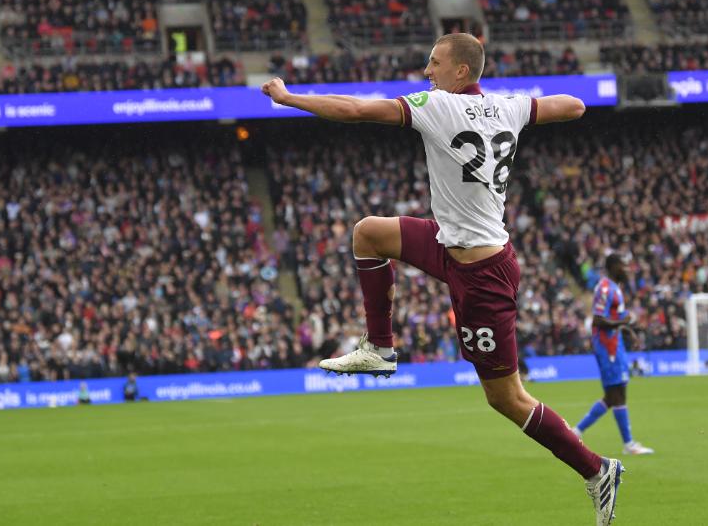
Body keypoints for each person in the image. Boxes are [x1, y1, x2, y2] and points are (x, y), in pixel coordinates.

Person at [262, 33, 624, 525]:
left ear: (459, 72)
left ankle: (597, 469)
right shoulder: (509, 106)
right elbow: (575, 105)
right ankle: (380, 349)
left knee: (506, 398)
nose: (426, 71)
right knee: (368, 233)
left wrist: (288, 98)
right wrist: (541, 106)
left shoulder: (437, 105)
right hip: (450, 242)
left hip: (482, 275)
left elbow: (354, 110)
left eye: (434, 63)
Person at [571, 254, 654, 455]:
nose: (626, 269)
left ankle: (575, 432)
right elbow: (598, 320)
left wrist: (627, 331)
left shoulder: (616, 289)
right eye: (623, 266)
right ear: (613, 267)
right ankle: (628, 444)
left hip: (615, 344)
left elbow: (613, 319)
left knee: (613, 395)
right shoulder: (605, 288)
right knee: (617, 394)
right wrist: (624, 324)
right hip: (607, 347)